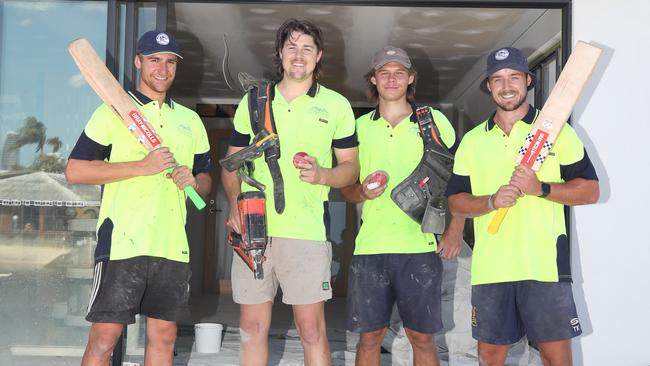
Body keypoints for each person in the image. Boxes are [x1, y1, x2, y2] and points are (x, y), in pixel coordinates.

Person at [65, 30, 212, 366]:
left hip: (171, 245)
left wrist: (195, 180)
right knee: (104, 339)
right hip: (122, 243)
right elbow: (75, 171)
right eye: (154, 59)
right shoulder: (112, 112)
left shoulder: (191, 122)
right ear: (138, 62)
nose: (163, 68)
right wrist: (141, 166)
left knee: (164, 337)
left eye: (170, 61)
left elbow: (205, 182)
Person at [445, 46, 599, 365]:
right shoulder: (472, 141)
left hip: (543, 266)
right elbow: (456, 201)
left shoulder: (557, 132)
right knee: (490, 356)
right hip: (491, 269)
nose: (506, 86)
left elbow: (590, 191)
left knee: (555, 356)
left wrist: (539, 188)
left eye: (514, 77)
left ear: (528, 81)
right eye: (497, 79)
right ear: (488, 86)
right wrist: (490, 201)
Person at [221, 18, 358, 365]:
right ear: (280, 54)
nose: (299, 55)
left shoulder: (337, 105)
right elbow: (231, 164)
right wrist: (236, 204)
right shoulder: (253, 102)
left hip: (307, 234)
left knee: (311, 330)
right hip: (254, 231)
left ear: (319, 56)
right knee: (252, 328)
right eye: (292, 47)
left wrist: (323, 173)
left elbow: (351, 169)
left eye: (307, 48)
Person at [339, 46, 465, 366]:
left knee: (422, 338)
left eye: (399, 72)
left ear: (410, 78)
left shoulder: (433, 121)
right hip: (371, 249)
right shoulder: (358, 128)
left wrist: (454, 229)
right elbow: (346, 191)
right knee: (369, 338)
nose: (392, 78)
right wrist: (363, 193)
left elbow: (460, 178)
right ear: (373, 79)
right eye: (384, 72)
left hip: (420, 246)